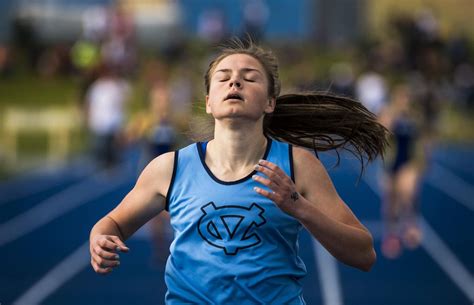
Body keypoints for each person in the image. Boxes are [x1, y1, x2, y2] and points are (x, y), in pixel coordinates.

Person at [89, 39, 388, 304]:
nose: (235, 83)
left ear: (270, 102)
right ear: (208, 102)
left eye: (249, 78)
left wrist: (300, 208)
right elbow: (112, 223)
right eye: (224, 78)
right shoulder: (171, 168)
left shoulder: (298, 165)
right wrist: (100, 239)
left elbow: (364, 255)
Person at [378, 84, 425, 259]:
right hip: (391, 163)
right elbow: (382, 133)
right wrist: (391, 116)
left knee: (408, 193)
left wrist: (421, 162)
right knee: (391, 200)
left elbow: (421, 139)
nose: (404, 101)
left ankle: (411, 225)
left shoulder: (414, 116)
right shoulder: (389, 113)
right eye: (401, 97)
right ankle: (391, 233)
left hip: (408, 162)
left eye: (407, 97)